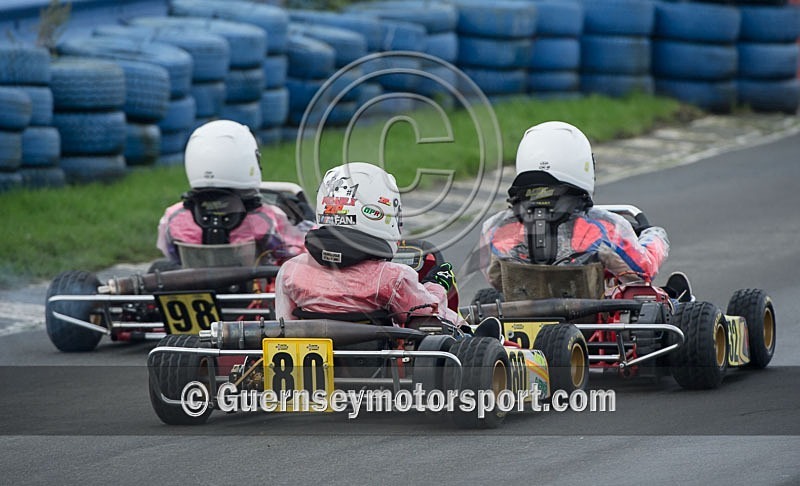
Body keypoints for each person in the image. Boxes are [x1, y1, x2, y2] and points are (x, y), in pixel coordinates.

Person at [480, 121, 680, 294]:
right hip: (591, 328)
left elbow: (497, 281)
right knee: (644, 296)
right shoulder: (605, 227)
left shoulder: (496, 228)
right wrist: (653, 235)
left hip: (520, 324)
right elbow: (640, 273)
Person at [275, 162, 465, 327]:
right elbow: (429, 312)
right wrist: (436, 285)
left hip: (305, 367)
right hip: (379, 365)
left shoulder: (291, 270)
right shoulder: (393, 276)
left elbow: (285, 326)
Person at [156, 119, 309, 266]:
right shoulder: (266, 218)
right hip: (252, 291)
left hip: (194, 290)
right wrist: (308, 218)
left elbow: (172, 256)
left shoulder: (173, 217)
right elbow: (298, 253)